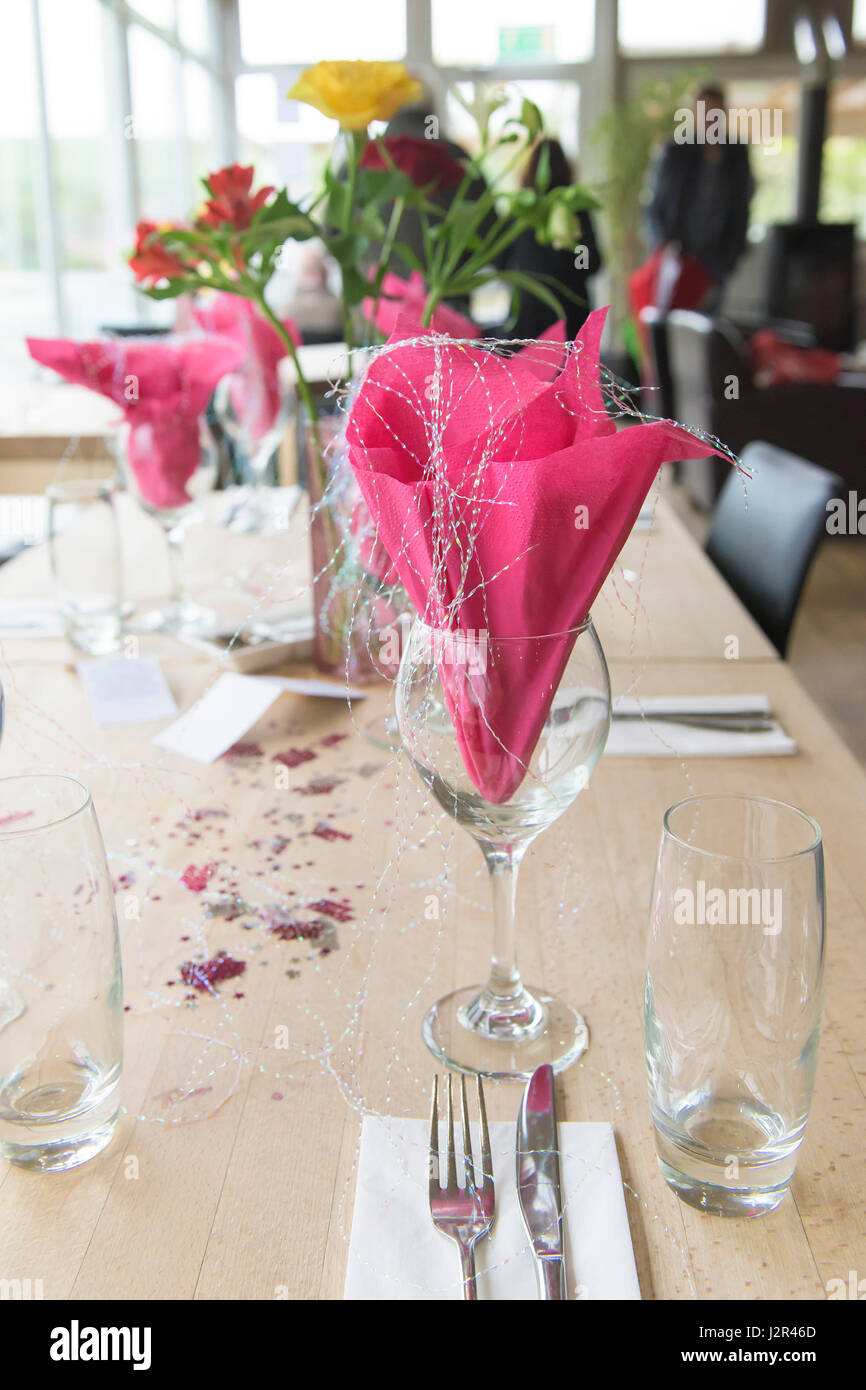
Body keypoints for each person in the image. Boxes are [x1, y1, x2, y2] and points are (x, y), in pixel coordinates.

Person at [648, 84, 754, 302]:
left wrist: (732, 254)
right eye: (705, 112)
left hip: (717, 260)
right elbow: (657, 203)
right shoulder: (677, 151)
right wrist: (664, 243)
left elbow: (742, 204)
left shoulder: (736, 153)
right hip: (678, 256)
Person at [503, 137, 602, 340]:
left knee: (531, 369)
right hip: (572, 311)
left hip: (529, 309)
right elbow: (592, 263)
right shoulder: (575, 208)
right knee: (571, 370)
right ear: (564, 166)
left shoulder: (521, 210)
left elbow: (501, 262)